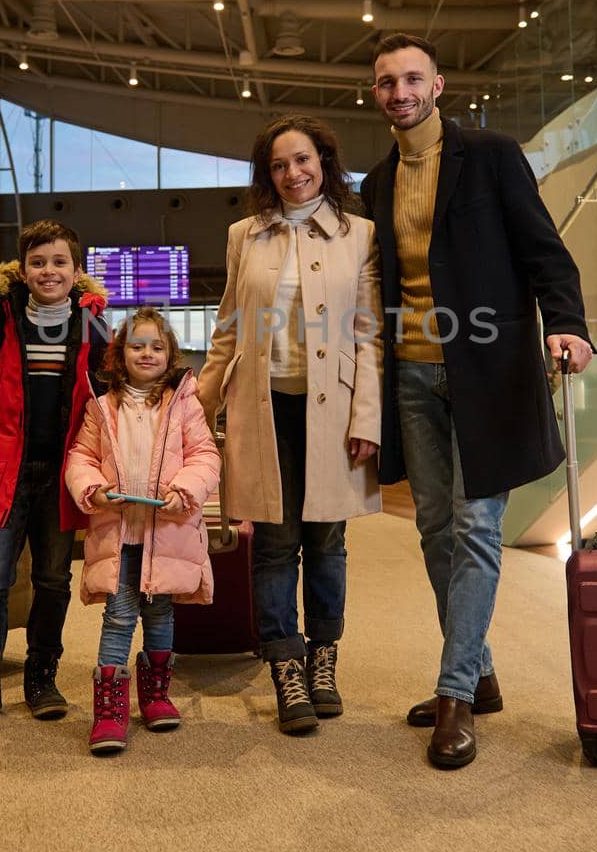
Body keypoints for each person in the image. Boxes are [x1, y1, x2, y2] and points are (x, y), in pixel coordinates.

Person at [358, 33, 594, 769]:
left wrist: (569, 324)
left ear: (439, 84)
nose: (399, 92)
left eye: (411, 79)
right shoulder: (375, 182)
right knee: (433, 527)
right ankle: (480, 672)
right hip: (413, 373)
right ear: (376, 94)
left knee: (475, 525)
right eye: (386, 82)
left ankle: (456, 694)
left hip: (487, 372)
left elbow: (543, 251)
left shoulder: (491, 156)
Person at [197, 114, 382, 735]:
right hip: (265, 405)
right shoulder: (244, 235)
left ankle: (323, 657)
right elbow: (228, 328)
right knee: (274, 544)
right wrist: (197, 406)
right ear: (266, 174)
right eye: (278, 165)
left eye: (302, 160)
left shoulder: (361, 234)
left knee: (328, 540)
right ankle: (286, 665)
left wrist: (369, 417)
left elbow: (369, 335)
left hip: (333, 412)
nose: (292, 174)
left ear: (324, 162)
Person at [0, 220, 109, 731]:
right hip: (3, 474)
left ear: (76, 272)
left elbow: (109, 402)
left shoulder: (95, 327)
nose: (48, 271)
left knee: (53, 579)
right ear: (22, 269)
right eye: (38, 262)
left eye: (59, 262)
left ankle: (41, 675)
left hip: (64, 475)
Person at [65, 308, 220, 755]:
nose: (147, 353)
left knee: (160, 614)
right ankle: (109, 710)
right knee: (118, 616)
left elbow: (205, 456)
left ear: (170, 353)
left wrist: (184, 489)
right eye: (137, 345)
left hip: (166, 533)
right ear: (120, 354)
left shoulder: (183, 402)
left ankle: (155, 694)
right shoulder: (102, 405)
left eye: (156, 346)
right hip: (120, 535)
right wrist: (92, 489)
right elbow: (80, 457)